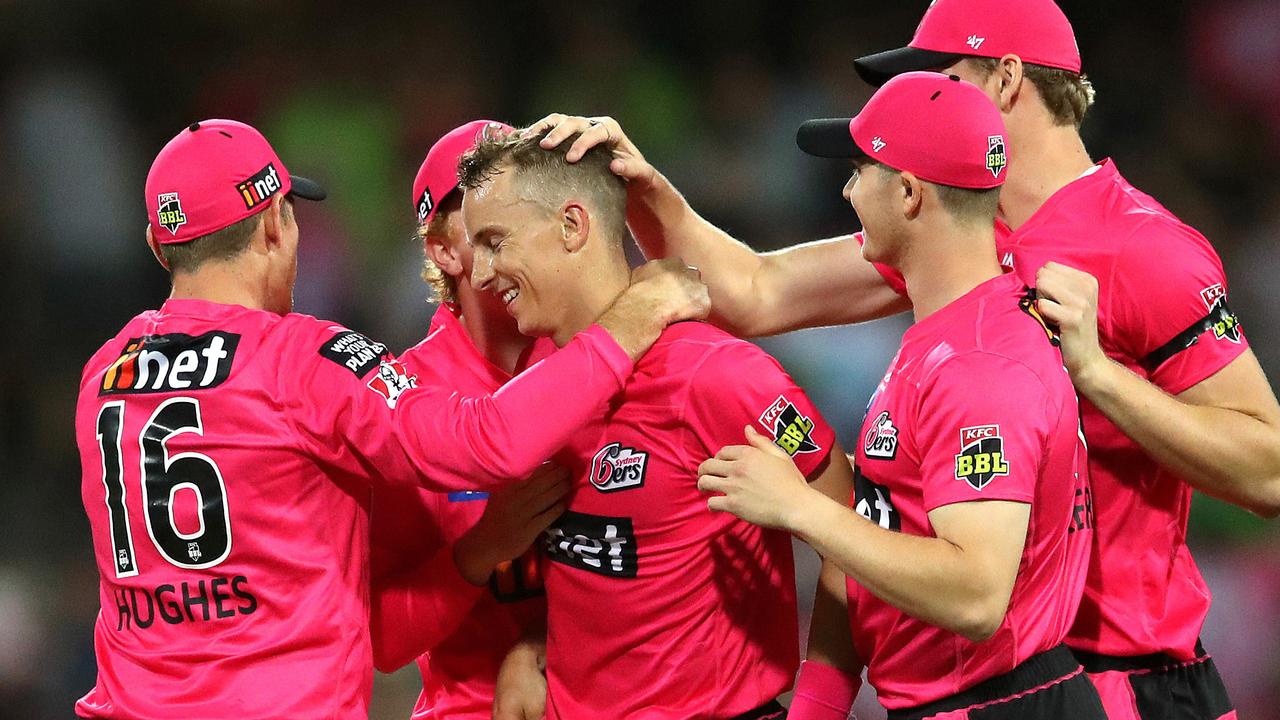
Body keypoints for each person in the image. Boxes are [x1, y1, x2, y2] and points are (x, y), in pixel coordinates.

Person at [533, 2, 1279, 717]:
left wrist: (1103, 379)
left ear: (1008, 79)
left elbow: (1270, 471)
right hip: (1000, 673)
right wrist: (643, 189)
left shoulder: (1141, 247)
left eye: (944, 78)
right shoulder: (959, 241)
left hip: (1130, 670)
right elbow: (754, 292)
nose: (917, 99)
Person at [74, 119, 707, 719]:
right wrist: (629, 321)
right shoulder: (304, 362)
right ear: (274, 225)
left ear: (161, 247)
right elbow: (490, 441)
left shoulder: (103, 375)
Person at [700, 71, 1103, 720]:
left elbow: (974, 596)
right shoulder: (944, 334)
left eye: (861, 170)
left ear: (910, 195)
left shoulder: (980, 364)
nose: (847, 188)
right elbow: (879, 534)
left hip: (1002, 704)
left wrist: (800, 508)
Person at [458, 127, 854, 720]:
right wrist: (534, 643)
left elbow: (851, 527)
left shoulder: (721, 377)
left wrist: (821, 705)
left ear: (573, 226)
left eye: (494, 242)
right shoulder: (542, 373)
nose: (482, 274)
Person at [369, 119, 563, 720]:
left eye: (521, 201)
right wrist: (482, 551)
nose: (505, 224)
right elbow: (384, 640)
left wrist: (539, 650)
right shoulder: (403, 404)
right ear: (444, 250)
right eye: (477, 207)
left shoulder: (599, 353)